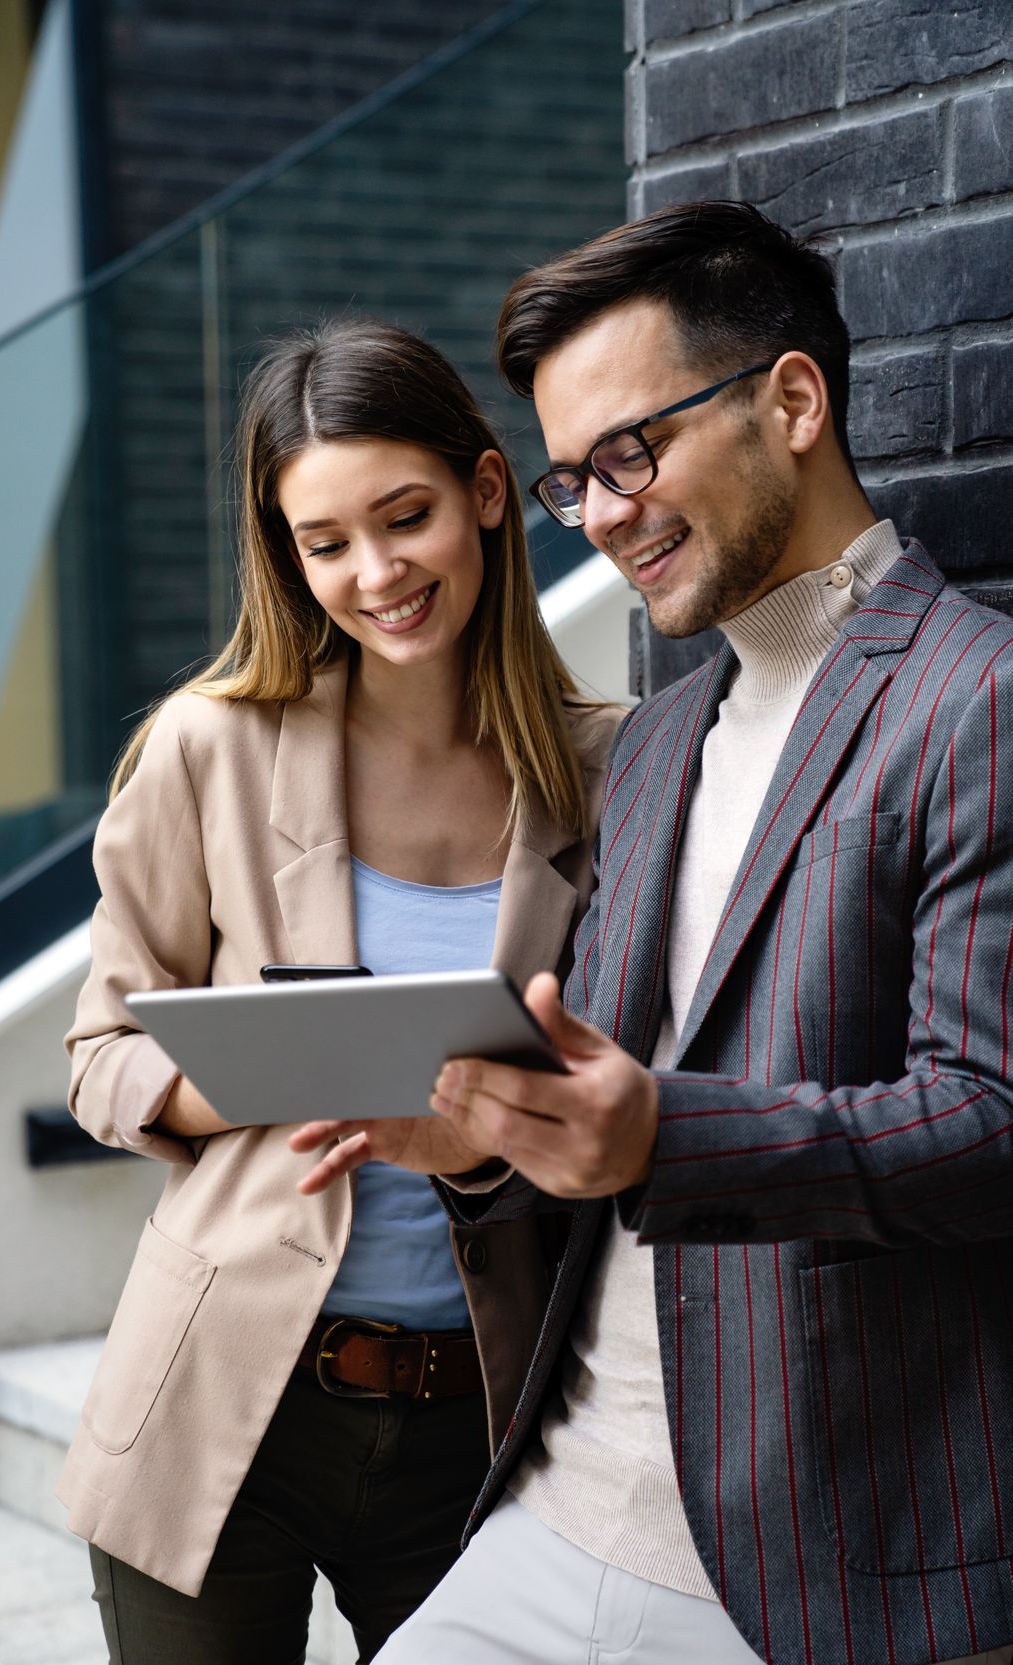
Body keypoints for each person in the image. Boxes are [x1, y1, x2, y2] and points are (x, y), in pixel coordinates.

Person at [293, 204, 1013, 1665]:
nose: (604, 512)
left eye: (631, 453)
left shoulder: (974, 702)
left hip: (823, 1573)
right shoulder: (655, 741)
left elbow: (990, 1123)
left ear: (792, 401)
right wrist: (485, 1144)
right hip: (550, 1517)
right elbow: (598, 1112)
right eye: (571, 481)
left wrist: (657, 1140)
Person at [58, 318, 619, 1665]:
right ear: (288, 557)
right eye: (325, 543)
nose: (374, 573)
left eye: (405, 515)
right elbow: (97, 1052)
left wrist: (483, 1135)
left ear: (488, 492)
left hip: (485, 1421)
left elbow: (628, 1104)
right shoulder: (211, 746)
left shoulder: (617, 770)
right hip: (220, 1399)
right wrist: (269, 1066)